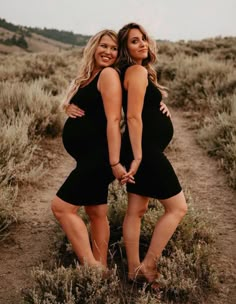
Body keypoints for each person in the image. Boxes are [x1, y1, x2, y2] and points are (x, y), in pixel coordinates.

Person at [51, 29, 128, 269]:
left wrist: (114, 163)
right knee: (96, 211)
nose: (108, 52)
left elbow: (115, 120)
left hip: (100, 156)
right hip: (89, 156)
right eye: (104, 46)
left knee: (62, 208)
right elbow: (87, 105)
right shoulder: (89, 75)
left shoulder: (107, 75)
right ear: (94, 46)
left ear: (118, 54)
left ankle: (92, 268)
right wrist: (67, 107)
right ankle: (102, 267)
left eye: (114, 48)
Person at [117, 23, 188, 284]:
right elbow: (133, 117)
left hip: (143, 148)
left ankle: (133, 270)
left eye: (144, 38)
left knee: (136, 209)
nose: (143, 44)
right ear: (125, 48)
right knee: (178, 208)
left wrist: (159, 103)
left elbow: (141, 107)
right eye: (134, 41)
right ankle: (148, 265)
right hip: (143, 150)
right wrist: (137, 157)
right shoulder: (136, 71)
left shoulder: (136, 72)